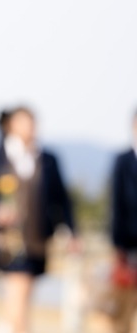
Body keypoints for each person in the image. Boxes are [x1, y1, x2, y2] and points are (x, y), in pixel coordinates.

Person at [0, 106, 77, 333]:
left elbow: (62, 199)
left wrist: (71, 231)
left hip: (38, 239)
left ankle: (7, 327)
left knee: (24, 293)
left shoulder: (48, 159)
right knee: (19, 290)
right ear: (11, 126)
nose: (31, 128)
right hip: (6, 241)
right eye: (25, 122)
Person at [108, 110, 137, 333]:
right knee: (124, 308)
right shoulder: (122, 161)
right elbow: (116, 206)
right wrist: (118, 246)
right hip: (129, 246)